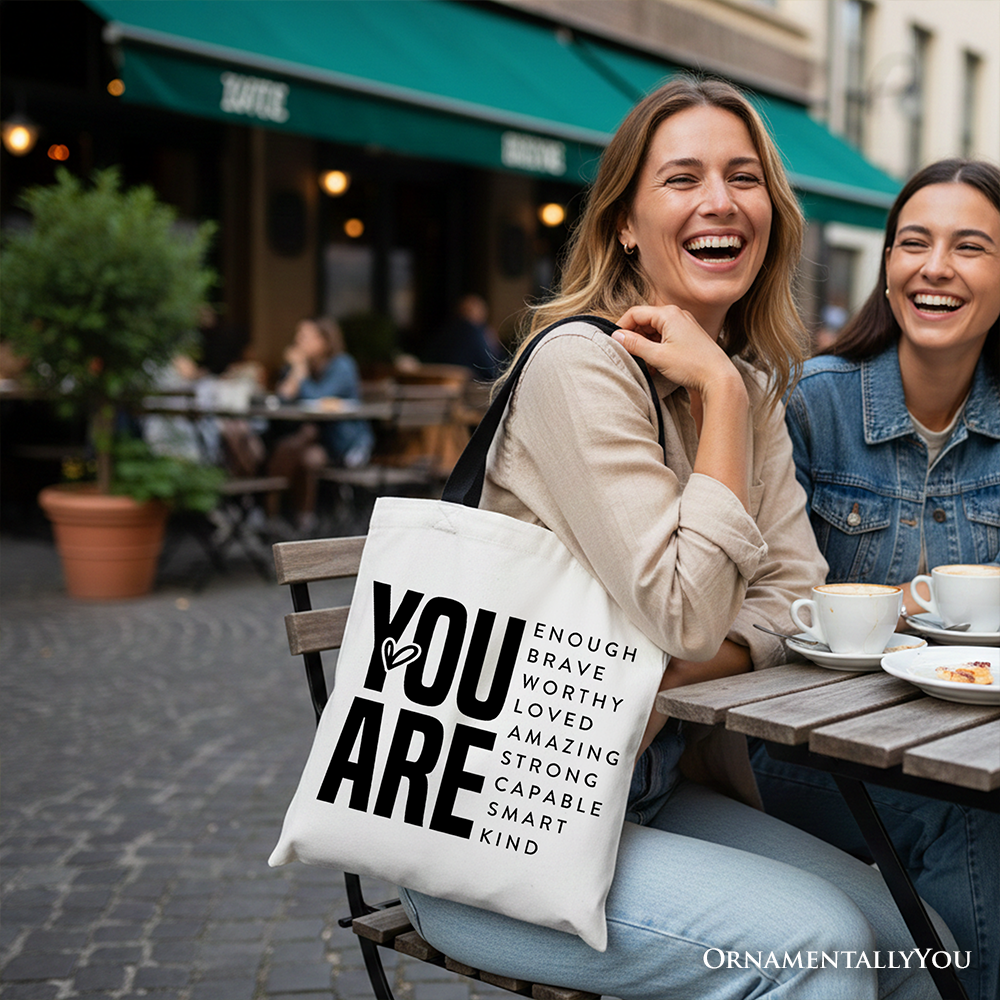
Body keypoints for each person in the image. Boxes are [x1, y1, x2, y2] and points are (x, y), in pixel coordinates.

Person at [396, 77, 952, 1000]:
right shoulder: (584, 367)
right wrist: (723, 403)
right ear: (623, 222)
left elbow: (796, 599)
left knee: (916, 942)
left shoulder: (751, 385)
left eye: (743, 177)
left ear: (771, 213)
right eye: (682, 178)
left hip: (640, 796)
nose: (720, 202)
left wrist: (661, 671)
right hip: (496, 828)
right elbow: (693, 615)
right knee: (824, 951)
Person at [751, 157, 1000, 1000]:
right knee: (973, 824)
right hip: (804, 755)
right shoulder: (814, 408)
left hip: (968, 745)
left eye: (971, 246)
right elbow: (760, 598)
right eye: (914, 242)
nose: (935, 266)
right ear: (887, 268)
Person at [266, 316, 374, 531]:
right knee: (293, 450)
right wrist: (297, 370)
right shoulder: (302, 366)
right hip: (313, 440)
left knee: (302, 453)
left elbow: (317, 400)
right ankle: (282, 515)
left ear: (324, 341)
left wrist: (300, 372)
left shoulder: (342, 365)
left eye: (305, 336)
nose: (298, 340)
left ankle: (281, 514)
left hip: (346, 444)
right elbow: (282, 397)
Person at [423, 293, 504, 380]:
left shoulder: (445, 330)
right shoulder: (474, 332)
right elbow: (491, 370)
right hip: (467, 386)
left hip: (438, 384)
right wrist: (494, 346)